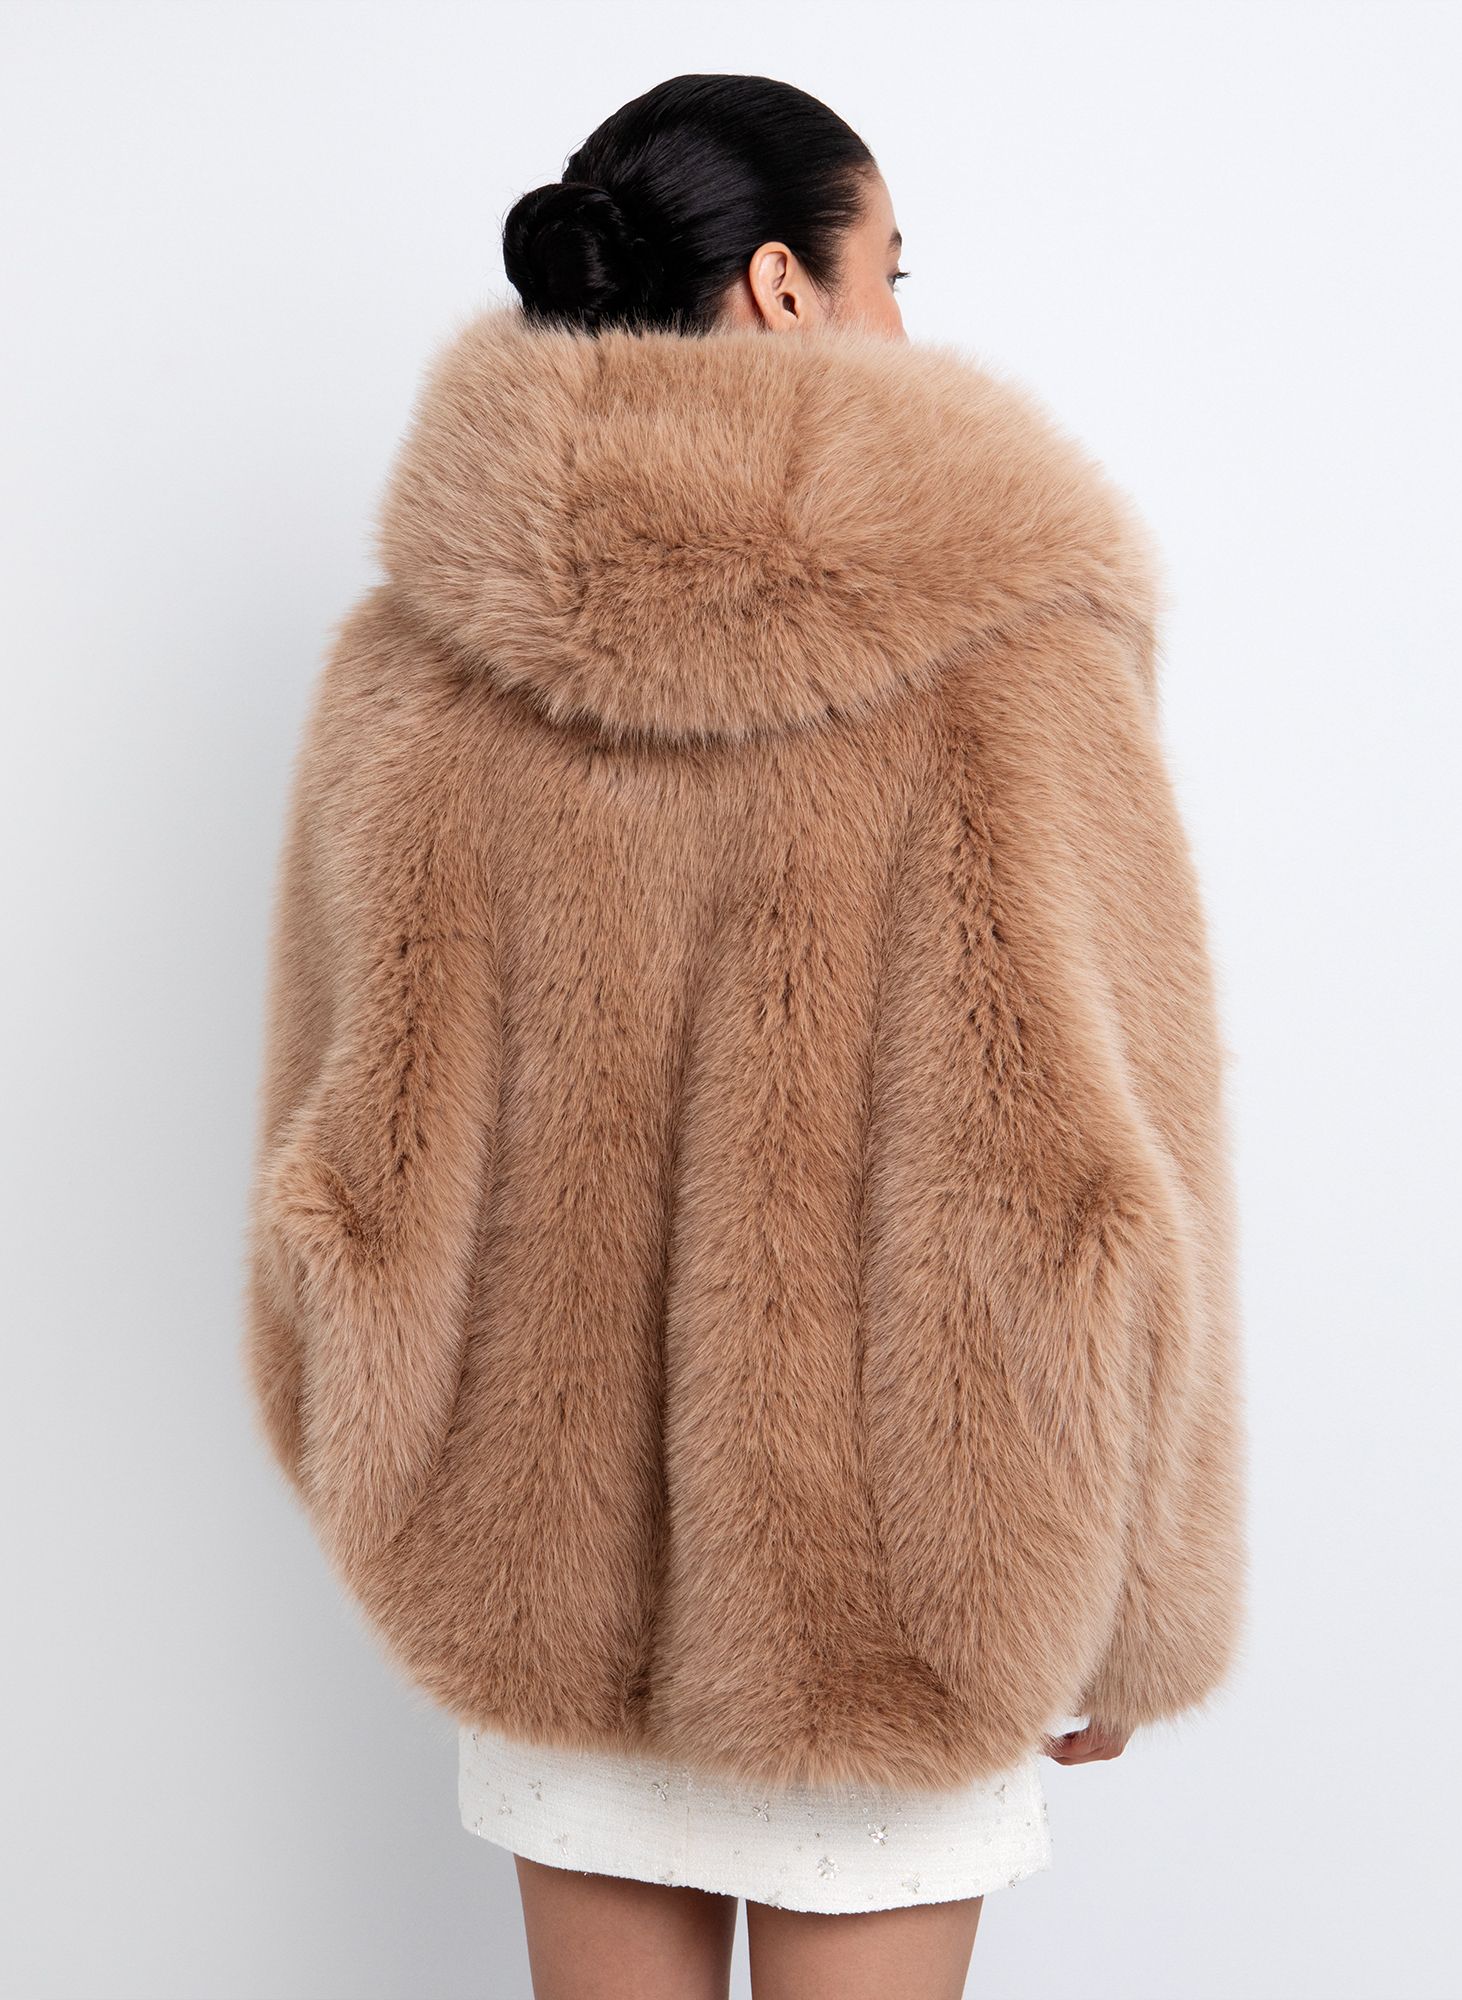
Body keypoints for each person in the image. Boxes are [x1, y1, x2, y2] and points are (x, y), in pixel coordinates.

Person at [243, 71, 1246, 2000]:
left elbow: (338, 1170)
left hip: (547, 1597)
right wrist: (1137, 1588)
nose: (907, 327)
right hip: (917, 1591)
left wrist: (417, 1507)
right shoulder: (1019, 651)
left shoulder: (421, 660)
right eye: (892, 275)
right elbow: (1128, 1163)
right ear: (785, 287)